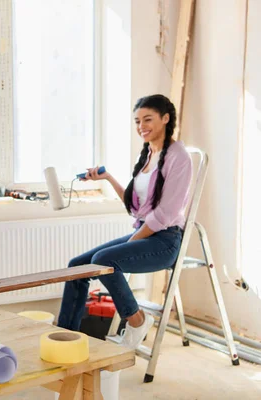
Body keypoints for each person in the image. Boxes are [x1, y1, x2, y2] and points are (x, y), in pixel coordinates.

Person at [56, 94, 193, 349]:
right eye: (137, 121)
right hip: (146, 234)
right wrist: (107, 177)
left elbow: (164, 214)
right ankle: (66, 339)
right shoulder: (149, 156)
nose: (142, 126)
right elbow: (135, 208)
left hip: (165, 241)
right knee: (76, 267)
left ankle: (137, 320)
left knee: (103, 260)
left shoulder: (179, 157)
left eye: (148, 119)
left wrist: (133, 240)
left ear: (165, 118)